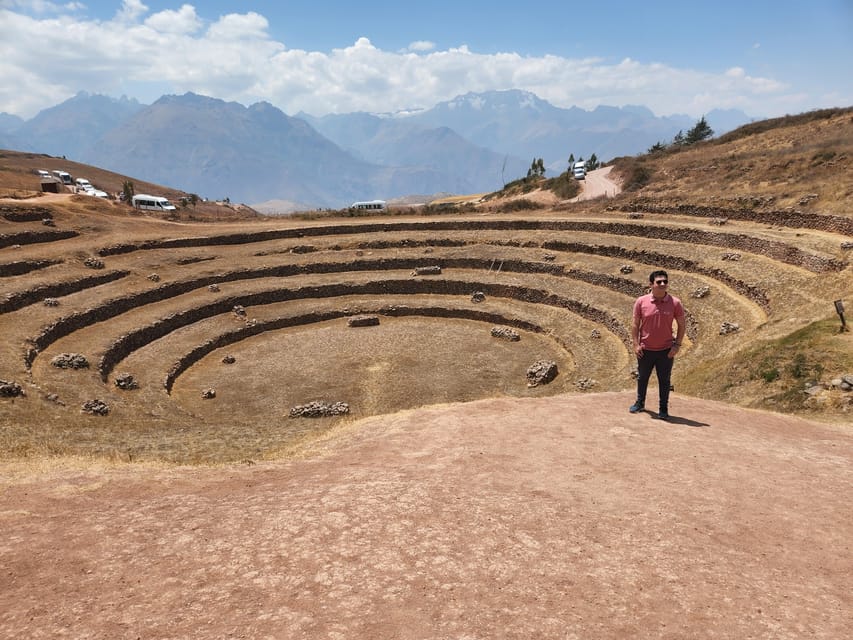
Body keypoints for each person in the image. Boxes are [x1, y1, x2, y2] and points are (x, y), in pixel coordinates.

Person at [629, 269, 686, 421]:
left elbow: (682, 325)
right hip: (645, 349)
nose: (662, 284)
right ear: (651, 284)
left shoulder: (675, 303)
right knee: (642, 378)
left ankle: (663, 409)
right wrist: (636, 345)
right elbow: (635, 325)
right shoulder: (641, 301)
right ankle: (640, 403)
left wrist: (677, 345)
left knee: (664, 380)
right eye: (659, 282)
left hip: (665, 350)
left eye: (665, 281)